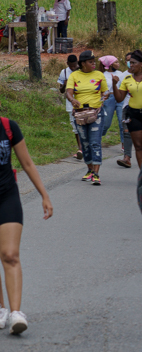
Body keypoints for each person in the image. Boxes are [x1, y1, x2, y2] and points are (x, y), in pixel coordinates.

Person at [0, 113, 54, 335]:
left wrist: (44, 195)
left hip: (6, 195)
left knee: (10, 254)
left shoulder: (8, 127)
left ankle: (16, 313)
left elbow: (28, 163)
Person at [65, 50, 107, 185]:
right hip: (80, 114)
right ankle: (89, 169)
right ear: (83, 63)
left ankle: (96, 173)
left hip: (96, 113)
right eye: (90, 62)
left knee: (95, 142)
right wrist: (72, 100)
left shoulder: (99, 75)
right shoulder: (74, 75)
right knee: (85, 144)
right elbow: (68, 92)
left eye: (94, 61)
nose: (93, 64)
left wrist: (106, 95)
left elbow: (105, 91)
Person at [57, 54, 83, 160]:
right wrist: (64, 84)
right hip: (70, 103)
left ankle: (82, 148)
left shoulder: (81, 71)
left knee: (82, 125)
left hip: (81, 102)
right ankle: (80, 148)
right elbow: (61, 90)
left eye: (75, 65)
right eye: (71, 65)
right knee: (75, 127)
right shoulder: (64, 72)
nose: (73, 67)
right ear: (67, 64)